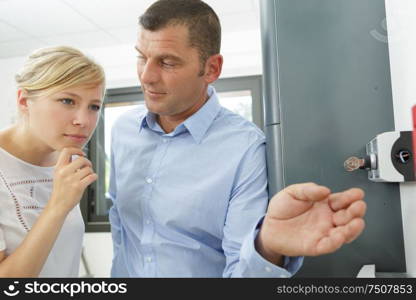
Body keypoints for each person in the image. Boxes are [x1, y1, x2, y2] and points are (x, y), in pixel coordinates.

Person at [109, 0, 366, 277]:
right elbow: (122, 232)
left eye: (167, 62)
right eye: (141, 57)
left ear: (211, 69)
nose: (146, 76)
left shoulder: (245, 148)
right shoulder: (123, 131)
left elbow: (239, 271)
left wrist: (267, 247)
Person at [0, 46, 105, 277]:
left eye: (94, 107)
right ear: (24, 100)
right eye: (68, 101)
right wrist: (58, 205)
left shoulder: (64, 163)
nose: (83, 121)